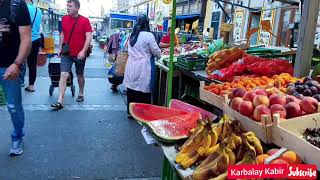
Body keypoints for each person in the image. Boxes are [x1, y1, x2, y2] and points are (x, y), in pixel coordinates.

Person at [0, 0, 32, 156]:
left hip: (10, 65)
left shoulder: (17, 5)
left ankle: (17, 136)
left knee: (13, 106)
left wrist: (17, 64)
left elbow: (26, 38)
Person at [51, 0, 92, 109]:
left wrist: (83, 51)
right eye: (67, 6)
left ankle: (81, 93)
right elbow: (62, 33)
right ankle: (60, 100)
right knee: (63, 75)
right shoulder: (64, 19)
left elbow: (89, 37)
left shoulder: (85, 20)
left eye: (70, 6)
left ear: (77, 8)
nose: (67, 8)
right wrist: (60, 48)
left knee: (80, 75)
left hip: (79, 54)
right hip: (67, 53)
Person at [123, 14, 161, 118]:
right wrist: (159, 55)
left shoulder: (132, 34)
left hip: (131, 65)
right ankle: (142, 113)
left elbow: (126, 48)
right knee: (143, 90)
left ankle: (130, 112)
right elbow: (156, 51)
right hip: (143, 66)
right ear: (147, 23)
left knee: (131, 89)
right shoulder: (148, 35)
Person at [20, 0, 42, 92]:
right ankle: (31, 86)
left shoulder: (22, 8)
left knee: (20, 60)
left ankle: (19, 82)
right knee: (32, 64)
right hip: (36, 39)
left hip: (25, 39)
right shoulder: (39, 10)